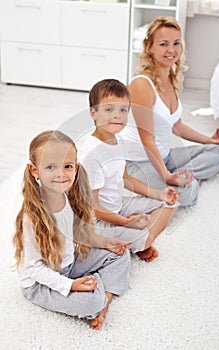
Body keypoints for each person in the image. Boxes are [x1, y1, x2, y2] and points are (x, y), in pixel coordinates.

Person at [13, 130, 131, 331]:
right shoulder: (31, 218)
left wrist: (105, 243)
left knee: (120, 254)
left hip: (68, 264)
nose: (61, 174)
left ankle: (104, 299)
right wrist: (71, 286)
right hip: (40, 283)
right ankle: (99, 302)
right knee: (90, 303)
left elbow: (76, 231)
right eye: (50, 167)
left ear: (75, 168)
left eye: (67, 166)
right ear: (35, 171)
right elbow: (33, 269)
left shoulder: (64, 197)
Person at [119, 16, 219, 207]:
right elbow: (147, 140)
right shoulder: (141, 85)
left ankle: (187, 177)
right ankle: (190, 179)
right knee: (185, 194)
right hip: (137, 163)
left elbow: (176, 125)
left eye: (176, 43)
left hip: (164, 156)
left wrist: (209, 140)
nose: (171, 50)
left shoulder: (171, 79)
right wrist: (166, 176)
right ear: (150, 47)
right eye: (163, 44)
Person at [79, 79, 180, 263]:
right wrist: (125, 222)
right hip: (97, 221)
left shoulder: (118, 142)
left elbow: (126, 179)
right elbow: (92, 207)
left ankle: (138, 236)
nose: (117, 115)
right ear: (93, 113)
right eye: (109, 109)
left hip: (117, 206)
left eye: (123, 110)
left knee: (170, 203)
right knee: (141, 238)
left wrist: (159, 194)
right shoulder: (91, 154)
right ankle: (141, 240)